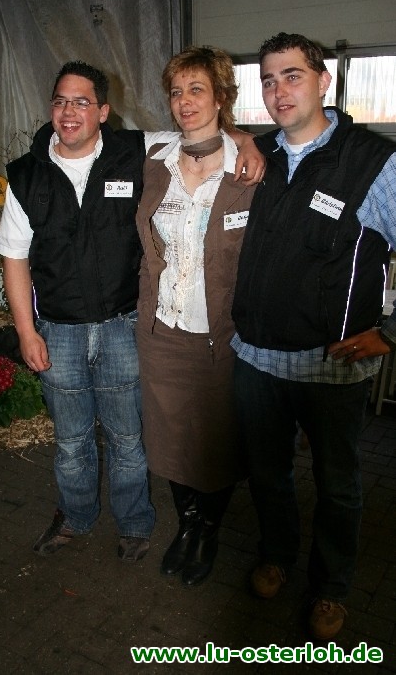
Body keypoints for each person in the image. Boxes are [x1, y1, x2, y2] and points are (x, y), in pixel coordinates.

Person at [0, 60, 263, 563]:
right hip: (59, 331)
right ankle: (75, 517)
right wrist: (27, 332)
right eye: (60, 101)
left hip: (122, 326)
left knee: (127, 438)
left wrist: (248, 141)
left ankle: (135, 524)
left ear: (103, 111)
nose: (68, 112)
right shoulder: (26, 176)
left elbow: (199, 129)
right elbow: (14, 257)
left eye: (81, 102)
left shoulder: (135, 151)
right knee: (71, 441)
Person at [231, 32, 396, 639]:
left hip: (330, 365)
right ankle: (277, 555)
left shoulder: (374, 163)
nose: (279, 91)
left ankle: (331, 588)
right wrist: (243, 137)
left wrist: (392, 333)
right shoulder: (261, 154)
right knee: (267, 474)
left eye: (292, 76)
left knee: (339, 487)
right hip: (255, 358)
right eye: (268, 80)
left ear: (324, 81)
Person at [135, 46, 257, 587]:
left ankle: (208, 529)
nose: (184, 101)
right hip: (163, 328)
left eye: (197, 89)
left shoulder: (249, 168)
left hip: (221, 335)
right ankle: (187, 524)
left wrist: (248, 140)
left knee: (216, 442)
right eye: (176, 91)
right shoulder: (154, 158)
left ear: (221, 97)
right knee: (171, 439)